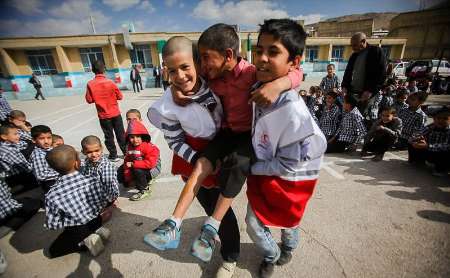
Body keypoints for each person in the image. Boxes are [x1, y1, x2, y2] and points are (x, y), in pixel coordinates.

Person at [146, 23, 302, 276]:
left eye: (205, 59)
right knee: (201, 164)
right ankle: (174, 222)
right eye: (201, 59)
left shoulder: (253, 74)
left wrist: (280, 83)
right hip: (222, 136)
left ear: (228, 55)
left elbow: (297, 73)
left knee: (238, 169)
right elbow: (185, 78)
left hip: (249, 138)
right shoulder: (209, 77)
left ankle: (216, 228)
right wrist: (173, 88)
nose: (202, 65)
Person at [244, 18, 326, 278]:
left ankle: (287, 247)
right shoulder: (261, 84)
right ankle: (271, 254)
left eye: (273, 51)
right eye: (259, 50)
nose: (263, 58)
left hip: (290, 179)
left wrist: (252, 167)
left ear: (294, 62)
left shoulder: (292, 112)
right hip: (266, 168)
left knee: (289, 220)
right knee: (254, 222)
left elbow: (288, 164)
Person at [145, 35, 224, 257]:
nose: (179, 76)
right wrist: (197, 157)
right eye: (172, 71)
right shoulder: (167, 105)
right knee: (207, 202)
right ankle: (186, 227)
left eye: (185, 67)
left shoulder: (217, 81)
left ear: (199, 62)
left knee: (224, 213)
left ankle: (230, 256)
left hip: (226, 150)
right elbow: (174, 140)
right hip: (194, 155)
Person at [44, 145, 118, 258]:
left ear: (53, 169)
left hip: (78, 228)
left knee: (52, 251)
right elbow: (103, 200)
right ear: (77, 163)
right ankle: (96, 229)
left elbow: (53, 225)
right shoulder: (92, 179)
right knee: (91, 222)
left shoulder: (52, 195)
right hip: (95, 218)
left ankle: (83, 243)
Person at [85, 60, 126, 162]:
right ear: (104, 69)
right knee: (120, 134)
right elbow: (120, 96)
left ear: (93, 70)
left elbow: (89, 100)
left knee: (108, 135)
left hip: (103, 115)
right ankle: (126, 153)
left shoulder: (90, 84)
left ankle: (113, 155)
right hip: (115, 113)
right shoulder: (110, 82)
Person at [118, 120, 161, 201]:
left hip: (152, 169)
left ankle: (144, 189)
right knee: (121, 174)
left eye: (138, 136)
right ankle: (136, 179)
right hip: (139, 165)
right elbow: (127, 160)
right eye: (132, 137)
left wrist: (133, 164)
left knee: (137, 170)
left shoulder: (148, 146)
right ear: (128, 137)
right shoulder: (130, 147)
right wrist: (128, 177)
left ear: (142, 136)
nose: (135, 140)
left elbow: (150, 164)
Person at [341, 32, 386, 98]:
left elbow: (382, 75)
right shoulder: (354, 56)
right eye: (352, 46)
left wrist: (370, 91)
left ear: (363, 41)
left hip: (367, 95)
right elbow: (348, 72)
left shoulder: (376, 52)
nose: (353, 48)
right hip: (353, 92)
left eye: (355, 45)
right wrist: (344, 86)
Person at [408, 106, 449, 176]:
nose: (441, 120)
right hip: (430, 151)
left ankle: (441, 169)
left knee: (446, 151)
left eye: (445, 119)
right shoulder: (430, 127)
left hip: (441, 154)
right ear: (434, 119)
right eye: (438, 118)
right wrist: (416, 139)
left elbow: (446, 146)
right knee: (412, 143)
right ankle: (418, 161)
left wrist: (427, 146)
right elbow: (414, 136)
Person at [80, 135, 119, 205]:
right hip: (93, 190)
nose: (94, 155)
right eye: (89, 152)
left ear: (101, 148)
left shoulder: (106, 167)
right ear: (83, 152)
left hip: (105, 195)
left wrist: (110, 200)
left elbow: (109, 188)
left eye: (96, 151)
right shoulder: (87, 161)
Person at [0, 125, 36, 191]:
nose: (18, 136)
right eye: (15, 134)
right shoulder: (9, 151)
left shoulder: (6, 144)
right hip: (17, 178)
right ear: (4, 137)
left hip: (19, 174)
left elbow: (23, 143)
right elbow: (26, 167)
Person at [29, 125, 59, 192]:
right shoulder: (38, 155)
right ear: (34, 140)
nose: (46, 141)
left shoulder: (50, 149)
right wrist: (62, 172)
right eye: (41, 138)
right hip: (51, 185)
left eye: (49, 138)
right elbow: (41, 175)